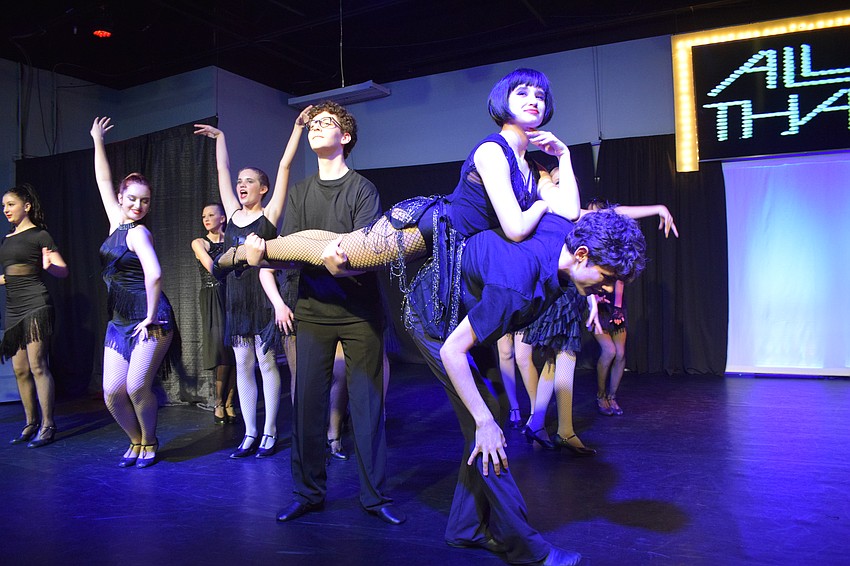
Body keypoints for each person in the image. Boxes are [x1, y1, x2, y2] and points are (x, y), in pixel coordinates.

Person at [224, 68, 581, 341]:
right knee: (342, 250)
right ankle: (238, 256)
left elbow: (571, 212)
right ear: (504, 100)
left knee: (336, 243)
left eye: (540, 95)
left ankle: (246, 255)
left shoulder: (533, 167)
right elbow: (516, 229)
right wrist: (540, 206)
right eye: (523, 92)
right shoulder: (493, 151)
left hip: (451, 241)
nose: (534, 100)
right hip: (430, 229)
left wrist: (563, 156)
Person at [406, 209, 646, 565]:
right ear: (582, 255)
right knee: (485, 425)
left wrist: (591, 299)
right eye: (606, 278)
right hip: (435, 319)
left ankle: (465, 527)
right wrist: (483, 423)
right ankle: (529, 550)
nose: (609, 289)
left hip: (466, 306)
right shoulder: (515, 286)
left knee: (499, 408)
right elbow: (451, 351)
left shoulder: (565, 233)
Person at [272, 101, 403, 526]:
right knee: (306, 406)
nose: (315, 128)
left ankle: (374, 497)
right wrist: (292, 253)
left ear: (345, 137)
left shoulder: (362, 189)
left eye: (325, 123)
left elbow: (366, 250)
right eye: (312, 124)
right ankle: (307, 493)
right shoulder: (300, 192)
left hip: (360, 312)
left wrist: (330, 254)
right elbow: (291, 249)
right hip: (312, 309)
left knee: (367, 406)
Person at [193, 111, 304, 459]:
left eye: (249, 181)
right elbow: (222, 170)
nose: (241, 185)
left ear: (263, 188)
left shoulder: (269, 215)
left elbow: (285, 166)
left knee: (266, 363)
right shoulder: (231, 213)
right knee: (242, 364)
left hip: (263, 297)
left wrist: (297, 129)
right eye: (240, 181)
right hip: (236, 298)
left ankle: (270, 430)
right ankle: (250, 432)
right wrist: (220, 138)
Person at [91, 117, 176, 468]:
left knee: (137, 387)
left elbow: (154, 274)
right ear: (121, 199)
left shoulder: (138, 233)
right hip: (119, 321)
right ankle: (136, 440)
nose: (138, 206)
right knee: (113, 392)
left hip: (151, 319)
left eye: (145, 201)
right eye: (132, 199)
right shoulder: (116, 223)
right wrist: (97, 140)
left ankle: (150, 441)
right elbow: (103, 179)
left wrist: (151, 315)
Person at [582, 197, 678, 417]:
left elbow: (620, 278)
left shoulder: (612, 241)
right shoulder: (585, 243)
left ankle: (612, 396)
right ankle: (600, 395)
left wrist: (659, 207)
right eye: (592, 214)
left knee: (620, 353)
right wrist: (593, 299)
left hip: (614, 306)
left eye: (601, 214)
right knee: (609, 351)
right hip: (596, 306)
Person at [1, 184, 68, 448]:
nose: (6, 210)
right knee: (20, 369)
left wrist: (50, 266)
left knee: (38, 365)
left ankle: (48, 424)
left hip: (36, 304)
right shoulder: (7, 239)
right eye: (4, 206)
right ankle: (30, 423)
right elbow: (12, 273)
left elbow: (63, 269)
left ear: (26, 206)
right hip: (13, 308)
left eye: (11, 204)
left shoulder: (40, 235)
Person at [190, 203, 237, 424]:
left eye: (211, 215)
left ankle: (230, 402)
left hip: (233, 295)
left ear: (222, 218)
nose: (206, 219)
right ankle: (218, 401)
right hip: (212, 296)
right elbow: (213, 268)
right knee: (221, 351)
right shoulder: (199, 243)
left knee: (236, 352)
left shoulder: (232, 241)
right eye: (203, 216)